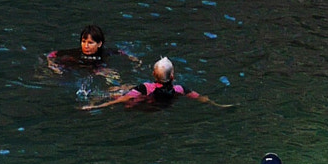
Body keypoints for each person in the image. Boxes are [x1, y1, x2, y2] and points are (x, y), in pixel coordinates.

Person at [82, 56, 228, 111]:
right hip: (157, 108)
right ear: (172, 76)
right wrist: (218, 105)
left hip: (139, 104)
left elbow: (124, 99)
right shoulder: (180, 89)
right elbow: (201, 98)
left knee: (117, 90)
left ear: (153, 74)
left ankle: (95, 97)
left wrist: (99, 105)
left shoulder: (146, 87)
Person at [45, 26, 132, 74]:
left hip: (96, 69)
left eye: (90, 43)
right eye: (83, 42)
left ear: (99, 44)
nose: (86, 46)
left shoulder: (105, 52)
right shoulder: (76, 52)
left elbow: (121, 52)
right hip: (76, 67)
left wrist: (133, 58)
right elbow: (52, 54)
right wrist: (51, 64)